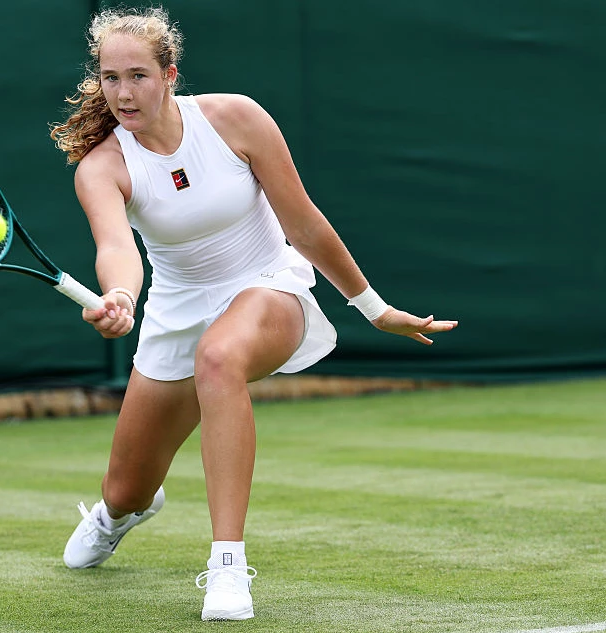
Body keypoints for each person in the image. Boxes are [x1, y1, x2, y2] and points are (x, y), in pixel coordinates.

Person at [48, 6, 457, 622]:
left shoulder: (236, 118)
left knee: (220, 359)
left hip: (268, 286)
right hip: (175, 310)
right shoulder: (103, 166)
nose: (123, 93)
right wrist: (122, 298)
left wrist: (372, 307)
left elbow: (305, 224)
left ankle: (227, 566)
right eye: (110, 78)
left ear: (169, 74)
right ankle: (115, 515)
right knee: (126, 489)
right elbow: (117, 252)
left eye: (137, 75)